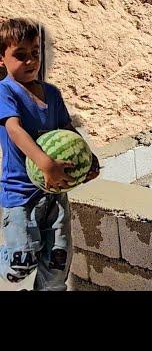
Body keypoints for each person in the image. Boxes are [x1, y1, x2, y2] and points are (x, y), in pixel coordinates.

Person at [0, 18, 99, 290]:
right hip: (21, 196)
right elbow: (14, 129)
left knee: (57, 264)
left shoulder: (52, 94)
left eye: (35, 53)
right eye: (20, 55)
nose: (30, 61)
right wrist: (44, 162)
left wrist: (89, 160)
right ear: (2, 58)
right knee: (19, 266)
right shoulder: (5, 91)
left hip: (55, 195)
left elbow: (67, 128)